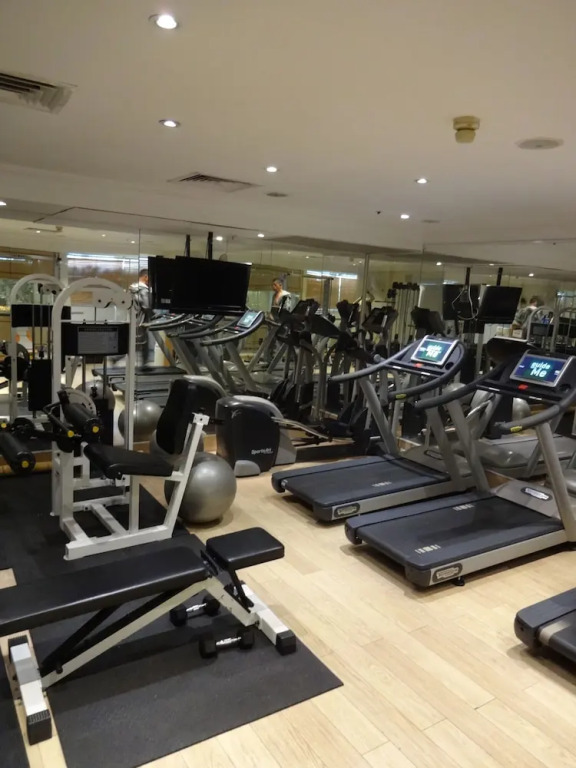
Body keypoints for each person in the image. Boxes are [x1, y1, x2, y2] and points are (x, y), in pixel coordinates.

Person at [130, 268, 155, 366]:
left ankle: (145, 364)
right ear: (146, 277)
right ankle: (145, 364)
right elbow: (146, 306)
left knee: (137, 342)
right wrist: (154, 314)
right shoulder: (144, 290)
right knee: (141, 342)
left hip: (134, 319)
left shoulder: (133, 289)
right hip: (142, 320)